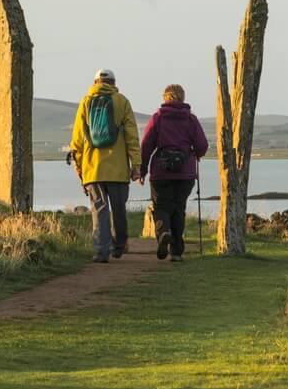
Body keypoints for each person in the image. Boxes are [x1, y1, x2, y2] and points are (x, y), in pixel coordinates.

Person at [69, 68, 140, 263]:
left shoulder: (85, 102)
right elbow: (132, 136)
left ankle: (101, 251)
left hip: (93, 168)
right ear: (114, 82)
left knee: (99, 210)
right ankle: (119, 245)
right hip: (118, 169)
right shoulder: (122, 101)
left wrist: (79, 166)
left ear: (95, 82)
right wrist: (136, 164)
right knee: (119, 209)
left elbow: (77, 139)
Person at [139, 83, 209, 262]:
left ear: (165, 98)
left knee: (161, 206)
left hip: (161, 172)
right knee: (179, 208)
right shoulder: (191, 119)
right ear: (183, 98)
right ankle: (176, 251)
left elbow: (146, 145)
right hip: (185, 173)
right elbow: (202, 145)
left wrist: (142, 169)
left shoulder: (158, 118)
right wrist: (196, 154)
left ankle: (163, 232)